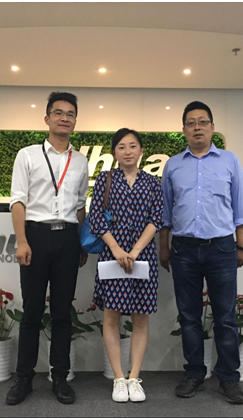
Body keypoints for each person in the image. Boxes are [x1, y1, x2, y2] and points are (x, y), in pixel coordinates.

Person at [160, 101, 243, 405]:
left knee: (225, 317)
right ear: (183, 129)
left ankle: (229, 378)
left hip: (222, 248)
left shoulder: (229, 160)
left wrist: (241, 243)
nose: (197, 127)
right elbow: (165, 210)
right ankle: (195, 373)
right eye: (191, 122)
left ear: (212, 127)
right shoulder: (173, 165)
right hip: (183, 249)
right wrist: (164, 247)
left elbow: (240, 204)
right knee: (189, 317)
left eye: (202, 121)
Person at [6, 92, 89, 406]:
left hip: (68, 238)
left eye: (70, 114)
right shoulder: (27, 155)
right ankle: (24, 379)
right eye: (58, 112)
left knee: (62, 313)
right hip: (36, 237)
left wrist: (81, 240)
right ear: (47, 118)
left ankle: (60, 378)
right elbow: (18, 201)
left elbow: (80, 206)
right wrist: (22, 240)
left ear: (75, 121)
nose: (64, 118)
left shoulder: (80, 160)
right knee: (31, 311)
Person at [89, 128, 164, 403]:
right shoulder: (105, 179)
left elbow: (157, 219)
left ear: (141, 150)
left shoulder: (153, 183)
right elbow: (96, 219)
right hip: (112, 255)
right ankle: (119, 379)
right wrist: (117, 249)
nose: (128, 151)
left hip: (143, 256)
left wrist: (134, 251)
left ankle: (134, 378)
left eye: (133, 146)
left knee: (140, 317)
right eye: (121, 146)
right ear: (114, 152)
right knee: (111, 316)